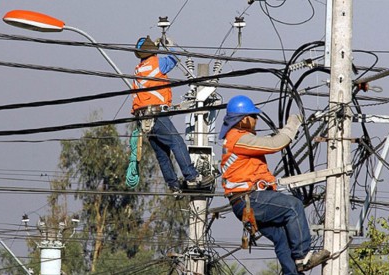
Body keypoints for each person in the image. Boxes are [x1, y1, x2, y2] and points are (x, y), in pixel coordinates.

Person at [220, 95, 330, 274]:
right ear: (242, 119)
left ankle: (293, 271)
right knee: (293, 207)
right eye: (253, 116)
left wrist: (282, 134)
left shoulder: (239, 139)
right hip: (250, 200)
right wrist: (292, 125)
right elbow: (274, 145)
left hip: (244, 203)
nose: (256, 120)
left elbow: (269, 142)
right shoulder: (239, 139)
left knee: (283, 238)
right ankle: (303, 256)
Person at [132, 35, 213, 196]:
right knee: (177, 142)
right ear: (152, 51)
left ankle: (174, 186)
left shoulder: (139, 68)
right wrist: (170, 45)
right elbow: (174, 58)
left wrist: (156, 47)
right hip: (155, 114)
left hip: (142, 118)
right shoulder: (157, 63)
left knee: (162, 153)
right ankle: (192, 177)